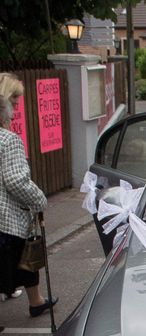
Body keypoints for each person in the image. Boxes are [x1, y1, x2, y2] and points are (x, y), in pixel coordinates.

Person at [0, 95, 58, 318]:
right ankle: (36, 303)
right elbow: (16, 180)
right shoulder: (8, 140)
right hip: (6, 222)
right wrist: (39, 199)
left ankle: (36, 302)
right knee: (22, 262)